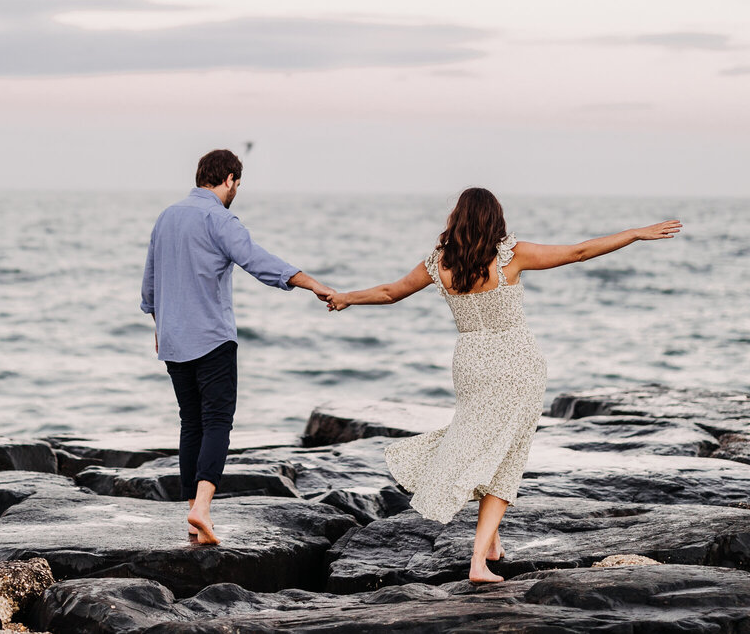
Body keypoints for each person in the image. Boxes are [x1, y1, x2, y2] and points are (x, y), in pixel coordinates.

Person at [325, 188, 680, 583]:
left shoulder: (438, 264)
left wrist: (346, 298)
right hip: (516, 361)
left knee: (484, 441)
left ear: (457, 219)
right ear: (495, 218)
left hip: (471, 363)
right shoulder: (511, 255)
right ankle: (479, 562)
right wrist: (633, 233)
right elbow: (578, 252)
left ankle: (491, 542)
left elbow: (390, 292)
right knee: (507, 453)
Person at [141, 148, 336, 545]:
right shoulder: (218, 217)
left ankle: (191, 514)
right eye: (237, 185)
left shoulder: (167, 217)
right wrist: (312, 283)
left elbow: (150, 285)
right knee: (217, 422)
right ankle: (202, 509)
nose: (236, 192)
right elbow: (257, 261)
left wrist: (161, 325)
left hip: (174, 341)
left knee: (190, 423)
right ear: (228, 179)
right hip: (211, 338)